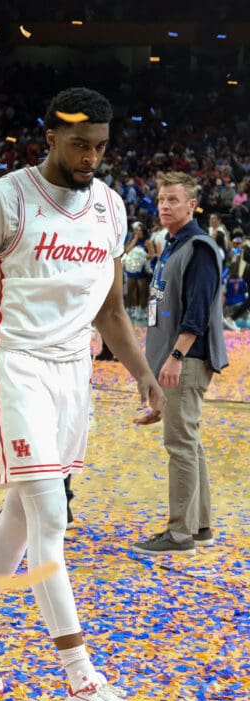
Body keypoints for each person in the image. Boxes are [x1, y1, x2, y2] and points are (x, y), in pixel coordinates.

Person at [0, 87, 164, 701]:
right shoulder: (7, 197)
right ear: (50, 137)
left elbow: (112, 310)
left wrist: (144, 378)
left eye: (101, 146)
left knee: (20, 521)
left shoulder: (110, 208)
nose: (91, 156)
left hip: (74, 376)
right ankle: (83, 686)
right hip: (18, 370)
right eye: (80, 143)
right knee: (51, 519)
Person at [134, 172, 228, 554]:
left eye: (173, 199)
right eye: (161, 200)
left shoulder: (199, 247)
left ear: (192, 205)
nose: (165, 206)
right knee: (190, 443)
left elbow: (198, 311)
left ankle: (179, 534)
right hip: (175, 360)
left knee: (180, 445)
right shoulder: (173, 245)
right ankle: (200, 526)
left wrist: (175, 357)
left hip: (186, 360)